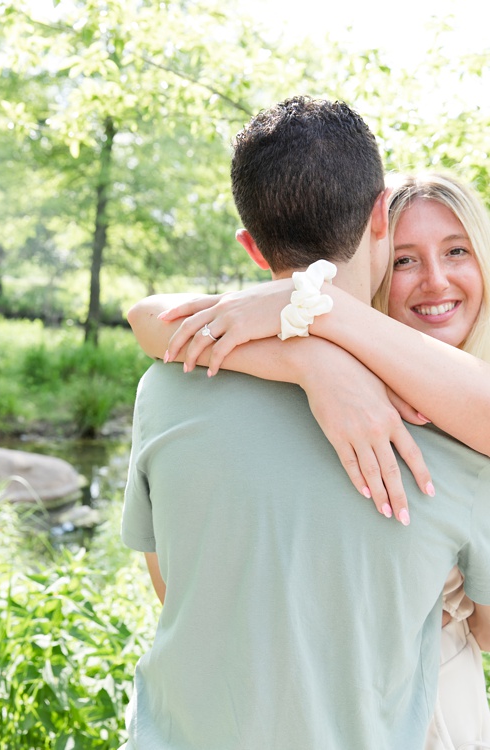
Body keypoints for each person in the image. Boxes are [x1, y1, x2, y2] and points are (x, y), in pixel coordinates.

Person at [120, 97, 490, 749]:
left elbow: (171, 587)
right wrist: (316, 358)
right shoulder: (453, 438)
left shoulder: (164, 391)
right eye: (406, 257)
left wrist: (313, 327)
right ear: (381, 218)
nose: (433, 279)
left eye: (457, 250)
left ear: (250, 246)